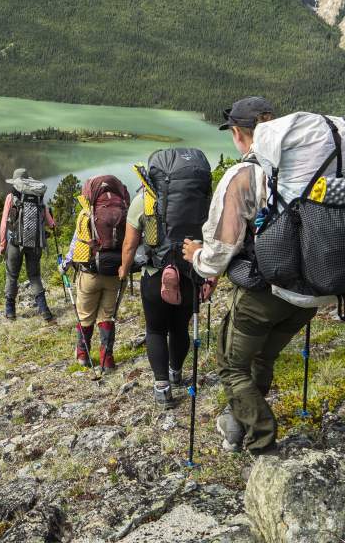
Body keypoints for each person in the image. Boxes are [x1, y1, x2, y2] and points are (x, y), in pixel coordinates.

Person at [181, 96, 316, 456]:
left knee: (231, 365)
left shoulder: (246, 173)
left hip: (265, 293)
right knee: (261, 358)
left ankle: (261, 441)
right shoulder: (306, 167)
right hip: (310, 291)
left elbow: (221, 251)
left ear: (239, 133)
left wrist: (197, 258)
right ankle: (236, 424)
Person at [120, 149, 212, 405]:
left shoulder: (145, 200)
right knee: (179, 327)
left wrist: (123, 270)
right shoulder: (202, 201)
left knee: (156, 329)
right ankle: (176, 373)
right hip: (190, 271)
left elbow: (129, 244)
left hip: (155, 272)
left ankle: (162, 387)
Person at [61, 175, 129, 372]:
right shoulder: (123, 213)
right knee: (107, 316)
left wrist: (65, 264)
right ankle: (107, 359)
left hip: (89, 273)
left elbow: (76, 244)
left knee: (85, 315)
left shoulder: (86, 214)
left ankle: (83, 355)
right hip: (115, 274)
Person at [0, 168, 56, 322]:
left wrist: (2, 245)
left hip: (15, 242)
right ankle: (45, 311)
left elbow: (4, 223)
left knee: (12, 276)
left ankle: (10, 312)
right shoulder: (38, 197)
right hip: (36, 243)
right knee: (35, 276)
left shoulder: (11, 197)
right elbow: (51, 223)